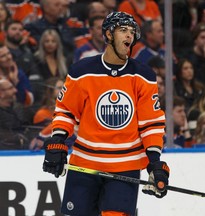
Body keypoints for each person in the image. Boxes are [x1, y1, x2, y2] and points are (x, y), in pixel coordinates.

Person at [42, 11, 170, 216]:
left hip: (125, 168)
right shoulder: (82, 71)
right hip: (85, 163)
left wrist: (154, 162)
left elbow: (151, 123)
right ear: (109, 35)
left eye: (131, 32)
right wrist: (58, 140)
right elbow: (66, 111)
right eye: (123, 30)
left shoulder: (143, 75)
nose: (129, 36)